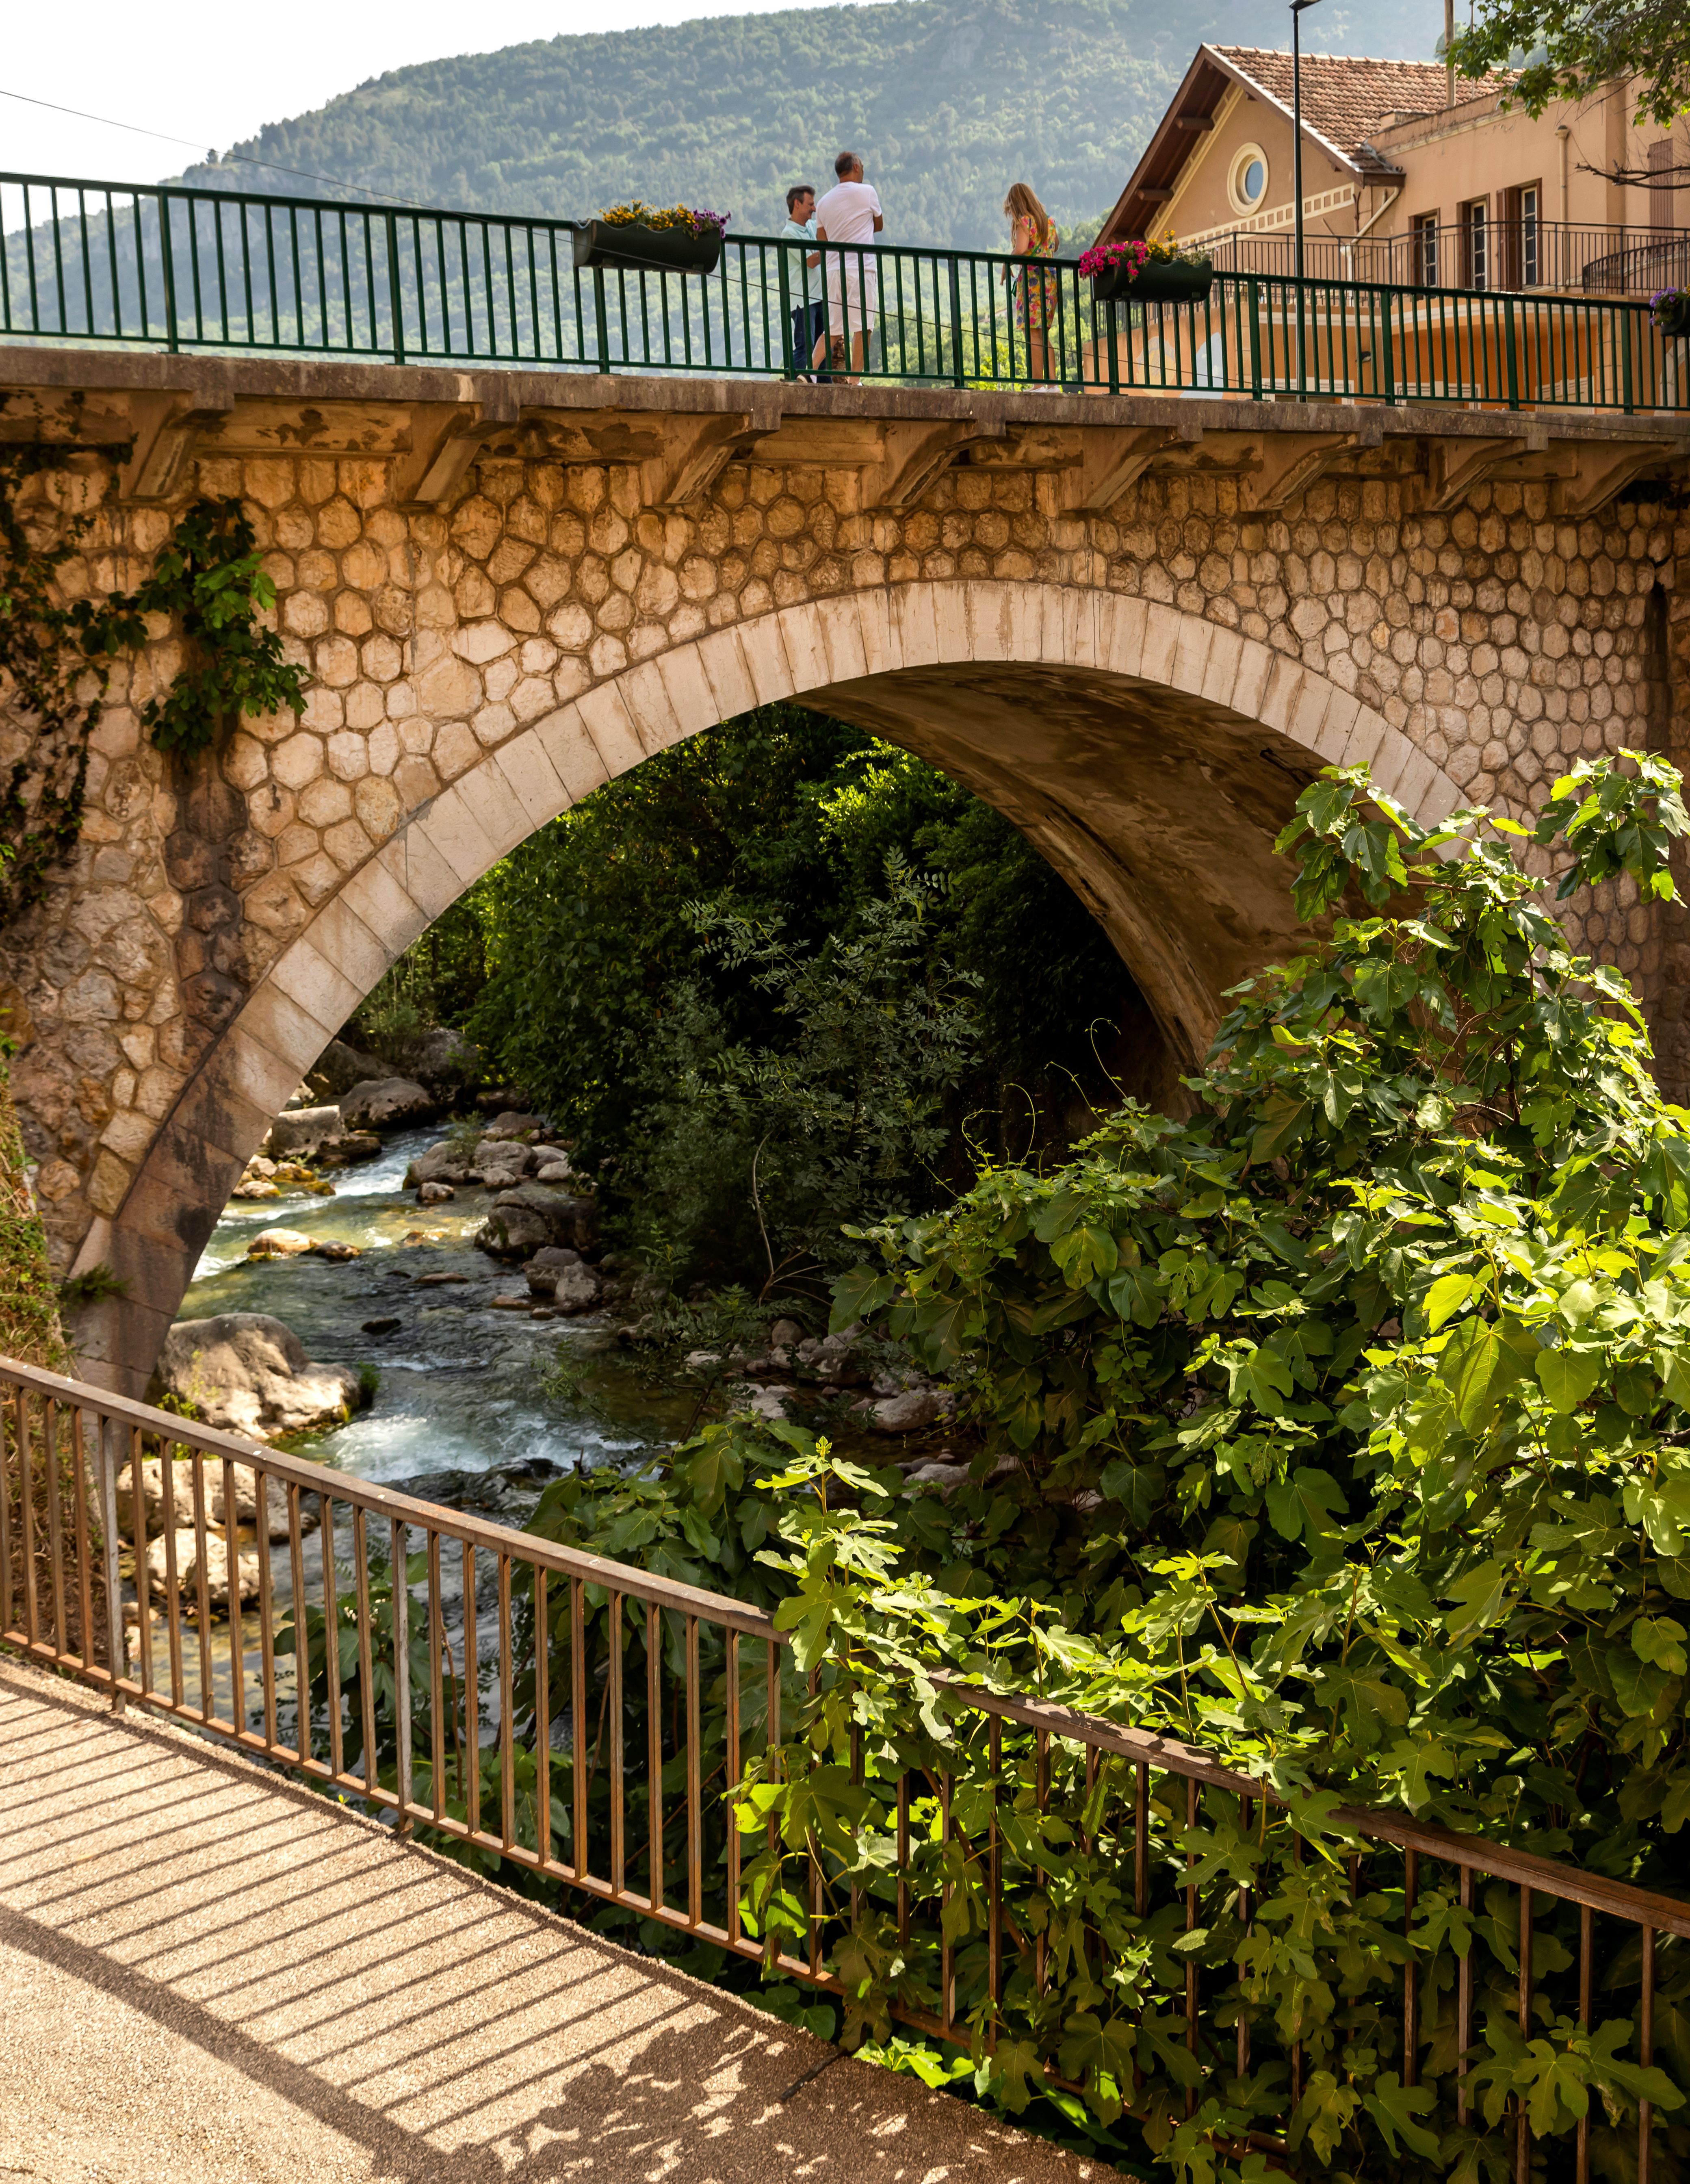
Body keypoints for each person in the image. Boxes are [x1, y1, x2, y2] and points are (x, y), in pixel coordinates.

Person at [814, 150, 883, 384]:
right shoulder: (868, 192)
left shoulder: (823, 202)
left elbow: (821, 241)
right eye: (862, 166)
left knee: (833, 328)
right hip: (861, 268)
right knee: (863, 326)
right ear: (855, 167)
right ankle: (855, 380)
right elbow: (879, 225)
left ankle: (810, 373)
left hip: (834, 270)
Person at [1003, 182, 1061, 388]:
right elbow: (1056, 243)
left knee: (1032, 333)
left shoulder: (1024, 222)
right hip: (1050, 281)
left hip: (1032, 282)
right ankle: (1053, 385)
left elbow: (1020, 249)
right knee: (1043, 333)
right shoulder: (1049, 221)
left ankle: (1038, 385)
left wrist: (1005, 263)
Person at [780, 184, 829, 384]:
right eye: (810, 204)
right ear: (797, 204)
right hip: (803, 299)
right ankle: (795, 385)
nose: (814, 209)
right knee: (806, 346)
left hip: (819, 296)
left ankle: (825, 386)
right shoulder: (789, 234)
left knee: (824, 346)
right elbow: (810, 261)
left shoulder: (810, 226)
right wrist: (829, 247)